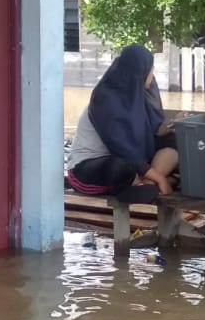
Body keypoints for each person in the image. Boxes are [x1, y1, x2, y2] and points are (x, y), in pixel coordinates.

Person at [64, 45, 178, 206]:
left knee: (172, 146)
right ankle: (149, 182)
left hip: (132, 163)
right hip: (89, 167)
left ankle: (145, 184)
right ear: (140, 72)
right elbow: (123, 150)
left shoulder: (138, 94)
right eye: (151, 70)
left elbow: (155, 130)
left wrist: (175, 124)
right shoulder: (107, 100)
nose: (153, 75)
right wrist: (160, 177)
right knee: (120, 167)